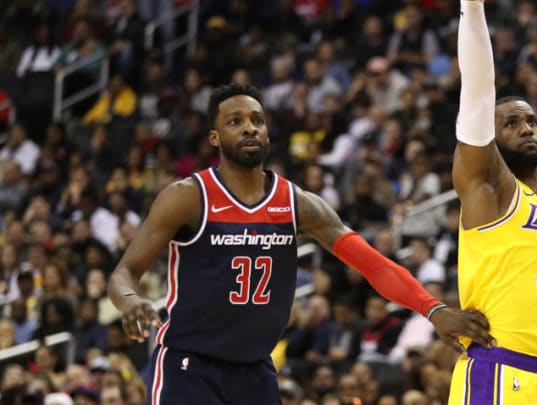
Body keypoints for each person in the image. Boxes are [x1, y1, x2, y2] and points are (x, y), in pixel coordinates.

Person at [107, 83, 492, 404]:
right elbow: (123, 274)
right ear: (215, 136)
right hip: (190, 369)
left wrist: (433, 308)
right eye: (235, 121)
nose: (249, 128)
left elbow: (372, 263)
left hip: (256, 370)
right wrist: (130, 301)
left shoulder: (296, 203)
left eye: (257, 120)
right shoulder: (188, 196)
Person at [448, 1, 537, 403]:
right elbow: (479, 89)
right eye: (511, 123)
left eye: (532, 121)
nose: (526, 128)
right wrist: (473, 7)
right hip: (500, 372)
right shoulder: (490, 189)